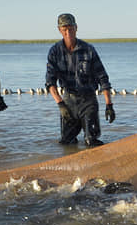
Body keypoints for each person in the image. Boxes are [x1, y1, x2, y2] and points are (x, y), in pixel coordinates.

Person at [45, 13, 115, 147]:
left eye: (70, 28)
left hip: (88, 101)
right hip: (68, 102)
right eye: (64, 29)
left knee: (91, 141)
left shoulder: (88, 50)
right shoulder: (55, 51)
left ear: (76, 28)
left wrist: (109, 105)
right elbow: (50, 82)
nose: (68, 32)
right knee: (66, 143)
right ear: (59, 30)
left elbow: (103, 78)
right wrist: (61, 105)